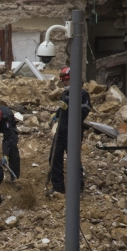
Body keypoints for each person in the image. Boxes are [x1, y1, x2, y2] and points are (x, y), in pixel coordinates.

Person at [47, 66, 92, 196]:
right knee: (55, 157)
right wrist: (56, 114)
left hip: (74, 130)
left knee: (73, 159)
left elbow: (83, 112)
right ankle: (58, 186)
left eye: (66, 79)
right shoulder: (65, 93)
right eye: (63, 80)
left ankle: (77, 188)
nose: (64, 82)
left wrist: (69, 108)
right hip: (62, 129)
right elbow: (61, 110)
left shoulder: (82, 94)